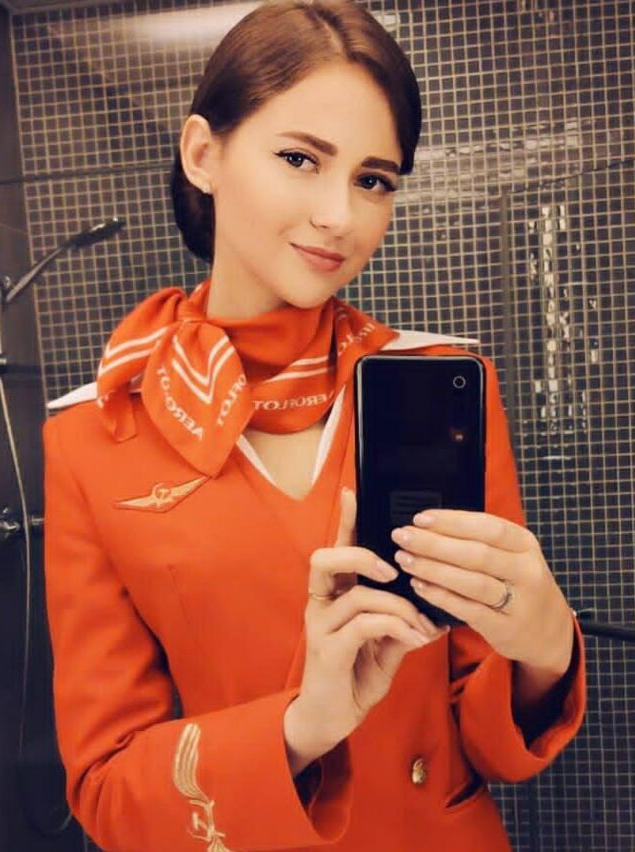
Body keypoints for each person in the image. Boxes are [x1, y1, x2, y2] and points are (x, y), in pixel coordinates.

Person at [43, 1, 586, 850]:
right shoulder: (95, 433)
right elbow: (106, 788)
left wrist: (546, 649)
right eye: (300, 159)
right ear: (203, 153)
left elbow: (488, 740)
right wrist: (299, 731)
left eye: (374, 180)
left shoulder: (440, 383)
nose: (340, 214)